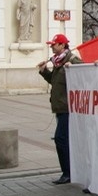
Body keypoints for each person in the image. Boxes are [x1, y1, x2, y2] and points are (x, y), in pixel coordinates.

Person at [37, 34, 82, 184]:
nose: (51, 47)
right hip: (59, 107)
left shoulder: (71, 60)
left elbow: (84, 72)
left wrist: (73, 67)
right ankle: (69, 172)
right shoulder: (57, 62)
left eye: (54, 44)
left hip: (68, 107)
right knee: (65, 140)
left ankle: (68, 172)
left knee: (60, 139)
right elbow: (54, 81)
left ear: (62, 45)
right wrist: (44, 71)